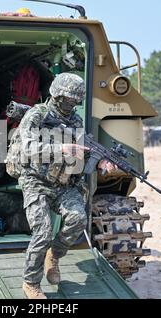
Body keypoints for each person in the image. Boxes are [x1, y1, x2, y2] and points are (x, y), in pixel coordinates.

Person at [13, 73, 116, 299]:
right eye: (69, 99)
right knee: (43, 231)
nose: (73, 104)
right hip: (36, 182)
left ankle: (55, 255)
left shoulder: (75, 121)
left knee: (78, 218)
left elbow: (80, 152)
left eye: (76, 100)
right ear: (57, 95)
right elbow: (28, 149)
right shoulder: (36, 115)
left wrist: (99, 162)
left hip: (62, 184)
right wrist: (61, 149)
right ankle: (30, 283)